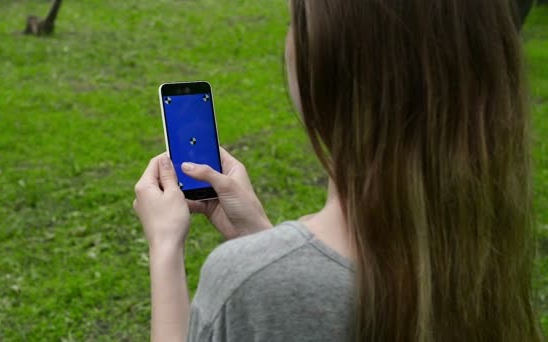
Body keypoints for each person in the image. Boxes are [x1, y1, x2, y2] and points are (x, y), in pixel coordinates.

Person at [133, 0, 544, 341]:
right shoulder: (480, 260)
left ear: (330, 65)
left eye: (296, 21)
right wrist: (261, 235)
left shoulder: (247, 287)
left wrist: (166, 248)